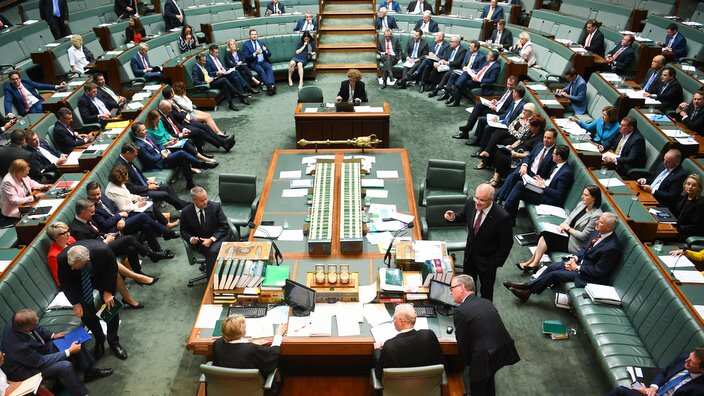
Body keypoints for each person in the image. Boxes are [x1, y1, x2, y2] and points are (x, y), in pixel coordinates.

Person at [505, 212, 621, 301]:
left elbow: (599, 271)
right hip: (580, 264)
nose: (596, 223)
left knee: (555, 274)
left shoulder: (612, 248)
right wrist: (575, 258)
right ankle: (527, 288)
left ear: (609, 228)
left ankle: (528, 291)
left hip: (589, 276)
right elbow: (585, 249)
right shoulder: (598, 232)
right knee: (552, 267)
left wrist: (576, 267)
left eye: (600, 222)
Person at [1, 309, 112, 396]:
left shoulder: (17, 321)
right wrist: (68, 351)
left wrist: (52, 336)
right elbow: (40, 361)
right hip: (26, 370)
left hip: (36, 351)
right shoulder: (18, 347)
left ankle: (89, 372)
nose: (37, 324)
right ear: (27, 329)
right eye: (34, 325)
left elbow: (36, 327)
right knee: (64, 366)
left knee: (75, 340)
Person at [46, 221, 151, 309]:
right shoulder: (54, 256)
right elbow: (61, 280)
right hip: (80, 279)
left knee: (109, 264)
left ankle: (131, 291)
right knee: (113, 271)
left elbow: (84, 253)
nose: (68, 234)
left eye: (68, 231)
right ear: (55, 237)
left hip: (87, 268)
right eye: (64, 233)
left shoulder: (70, 240)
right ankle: (134, 282)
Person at [57, 242, 128, 360]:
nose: (72, 268)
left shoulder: (103, 251)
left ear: (87, 260)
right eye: (71, 265)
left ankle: (113, 342)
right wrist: (75, 303)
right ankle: (100, 339)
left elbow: (112, 271)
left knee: (110, 307)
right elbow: (65, 282)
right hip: (78, 282)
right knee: (85, 313)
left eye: (75, 266)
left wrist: (108, 292)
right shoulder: (62, 259)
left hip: (100, 277)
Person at [450, 275, 520, 396]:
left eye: (452, 288)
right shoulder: (486, 302)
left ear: (461, 287)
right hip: (500, 348)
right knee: (489, 377)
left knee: (478, 387)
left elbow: (463, 344)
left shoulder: (461, 311)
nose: (451, 292)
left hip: (483, 356)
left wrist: (467, 364)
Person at [444, 184, 512, 301]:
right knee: (467, 290)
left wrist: (494, 263)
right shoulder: (471, 202)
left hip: (487, 262)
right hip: (469, 256)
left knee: (486, 293)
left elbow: (506, 244)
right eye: (477, 198)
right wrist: (454, 217)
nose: (478, 202)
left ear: (491, 200)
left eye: (482, 200)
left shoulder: (502, 217)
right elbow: (464, 216)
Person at [70, 197, 166, 275]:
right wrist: (106, 241)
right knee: (129, 239)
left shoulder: (87, 218)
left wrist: (107, 235)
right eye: (91, 212)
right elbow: (88, 249)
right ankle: (152, 255)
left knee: (130, 248)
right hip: (99, 251)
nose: (93, 214)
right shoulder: (77, 229)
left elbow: (97, 233)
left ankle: (139, 272)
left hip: (105, 240)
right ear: (82, 212)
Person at [518, 185, 603, 271]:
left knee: (546, 237)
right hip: (566, 234)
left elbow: (583, 236)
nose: (582, 197)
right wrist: (563, 224)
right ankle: (532, 262)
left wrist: (568, 229)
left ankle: (533, 263)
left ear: (594, 198)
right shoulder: (581, 204)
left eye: (586, 195)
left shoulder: (596, 215)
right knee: (544, 234)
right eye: (583, 194)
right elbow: (569, 218)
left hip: (575, 243)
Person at [86, 181, 175, 260]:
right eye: (93, 195)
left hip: (122, 220)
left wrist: (121, 218)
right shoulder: (90, 208)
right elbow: (105, 225)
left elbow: (115, 208)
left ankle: (158, 251)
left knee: (146, 224)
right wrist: (119, 216)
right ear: (88, 195)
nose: (97, 197)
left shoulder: (103, 197)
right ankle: (166, 232)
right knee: (143, 217)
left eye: (98, 194)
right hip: (115, 229)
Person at [132, 121, 216, 189]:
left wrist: (163, 150)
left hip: (164, 157)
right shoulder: (139, 145)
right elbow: (150, 159)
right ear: (137, 133)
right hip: (158, 164)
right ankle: (200, 164)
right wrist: (161, 155)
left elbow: (158, 145)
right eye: (143, 130)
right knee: (181, 153)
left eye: (145, 129)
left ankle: (190, 183)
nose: (146, 131)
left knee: (184, 159)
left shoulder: (147, 136)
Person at [500, 145, 574, 217]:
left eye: (554, 153)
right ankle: (507, 215)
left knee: (520, 188)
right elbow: (552, 181)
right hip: (543, 190)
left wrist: (544, 186)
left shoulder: (566, 173)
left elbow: (559, 195)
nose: (552, 155)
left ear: (559, 157)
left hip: (549, 198)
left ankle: (506, 213)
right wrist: (543, 181)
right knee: (520, 184)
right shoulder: (558, 164)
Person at [374, 304, 443, 379]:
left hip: (398, 388)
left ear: (401, 321)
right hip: (428, 386)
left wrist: (377, 350)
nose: (393, 321)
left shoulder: (390, 346)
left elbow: (379, 375)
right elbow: (441, 362)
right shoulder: (429, 335)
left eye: (394, 319)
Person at [213, 314, 287, 383]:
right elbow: (272, 355)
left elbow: (234, 349)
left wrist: (248, 343)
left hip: (225, 387)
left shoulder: (217, 344)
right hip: (253, 389)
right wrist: (278, 335)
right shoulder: (251, 349)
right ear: (242, 332)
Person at [116, 143, 190, 210]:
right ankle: (182, 206)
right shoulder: (121, 167)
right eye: (134, 155)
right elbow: (130, 188)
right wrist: (147, 187)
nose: (135, 157)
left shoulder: (127, 159)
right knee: (164, 194)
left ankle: (180, 205)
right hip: (139, 193)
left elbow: (137, 173)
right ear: (128, 153)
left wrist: (147, 181)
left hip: (144, 185)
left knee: (166, 187)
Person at [607, 348, 704, 396]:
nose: (686, 361)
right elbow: (664, 372)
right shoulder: (684, 357)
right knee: (620, 391)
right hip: (654, 392)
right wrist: (653, 388)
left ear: (702, 369)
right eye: (689, 357)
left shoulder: (700, 390)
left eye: (691, 362)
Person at [496, 128, 557, 203]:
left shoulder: (555, 153)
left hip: (536, 178)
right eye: (544, 137)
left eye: (549, 138)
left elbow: (551, 172)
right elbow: (528, 156)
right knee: (513, 175)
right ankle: (499, 198)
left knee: (516, 181)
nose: (545, 140)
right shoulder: (539, 145)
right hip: (527, 170)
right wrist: (524, 165)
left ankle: (498, 198)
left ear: (554, 139)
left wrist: (541, 180)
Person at [180, 186, 231, 274]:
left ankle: (212, 282)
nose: (205, 202)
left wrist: (211, 239)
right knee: (211, 253)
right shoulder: (186, 212)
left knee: (212, 252)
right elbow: (183, 231)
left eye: (206, 199)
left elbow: (224, 226)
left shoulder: (215, 206)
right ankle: (216, 278)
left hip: (218, 238)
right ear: (194, 200)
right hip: (201, 243)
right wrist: (191, 239)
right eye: (202, 200)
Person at [474, 102, 535, 171]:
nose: (523, 111)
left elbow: (521, 135)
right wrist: (513, 130)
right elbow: (511, 125)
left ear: (530, 112)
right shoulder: (521, 115)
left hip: (516, 140)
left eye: (525, 110)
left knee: (496, 141)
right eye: (523, 109)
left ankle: (484, 161)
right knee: (497, 132)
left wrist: (513, 131)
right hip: (510, 133)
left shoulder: (531, 122)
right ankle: (487, 152)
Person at [157, 100, 235, 152]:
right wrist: (181, 133)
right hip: (177, 134)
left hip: (181, 127)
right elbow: (168, 133)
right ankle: (224, 143)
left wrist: (183, 128)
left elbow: (176, 124)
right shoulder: (160, 119)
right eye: (169, 109)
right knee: (199, 131)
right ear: (163, 109)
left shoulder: (167, 111)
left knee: (204, 126)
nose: (171, 111)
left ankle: (223, 142)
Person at [145, 107, 216, 165]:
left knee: (188, 141)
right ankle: (203, 160)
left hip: (170, 141)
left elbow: (166, 133)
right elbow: (156, 144)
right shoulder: (149, 131)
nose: (159, 120)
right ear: (152, 120)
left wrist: (172, 138)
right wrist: (168, 143)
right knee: (185, 144)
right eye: (157, 119)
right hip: (165, 147)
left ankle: (198, 160)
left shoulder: (160, 122)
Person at [455, 75, 517, 140]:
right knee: (479, 105)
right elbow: (503, 100)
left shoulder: (514, 95)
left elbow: (508, 111)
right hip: (496, 107)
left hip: (499, 113)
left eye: (511, 85)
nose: (509, 86)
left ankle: (467, 131)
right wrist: (496, 101)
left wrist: (496, 108)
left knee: (478, 110)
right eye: (508, 84)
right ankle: (467, 129)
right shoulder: (508, 89)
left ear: (515, 85)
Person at [491, 115, 545, 187]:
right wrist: (511, 146)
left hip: (521, 157)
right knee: (500, 150)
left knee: (503, 156)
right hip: (516, 150)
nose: (529, 127)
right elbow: (520, 140)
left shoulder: (540, 139)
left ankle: (496, 178)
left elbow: (530, 155)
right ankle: (497, 176)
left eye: (531, 126)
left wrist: (516, 154)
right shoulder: (531, 131)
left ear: (537, 127)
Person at [242, 29, 276, 95]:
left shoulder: (261, 43)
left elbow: (269, 54)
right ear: (250, 36)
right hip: (254, 63)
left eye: (255, 34)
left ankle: (270, 85)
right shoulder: (246, 44)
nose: (254, 36)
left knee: (269, 67)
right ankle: (270, 86)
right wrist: (255, 53)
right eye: (252, 34)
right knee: (261, 70)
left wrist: (265, 50)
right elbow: (246, 58)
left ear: (257, 35)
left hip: (263, 61)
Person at [674, 174, 704, 239]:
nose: (690, 187)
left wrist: (677, 227)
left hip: (687, 234)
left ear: (699, 188)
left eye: (694, 185)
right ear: (684, 185)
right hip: (676, 227)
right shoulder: (683, 197)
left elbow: (696, 226)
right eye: (688, 184)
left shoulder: (700, 204)